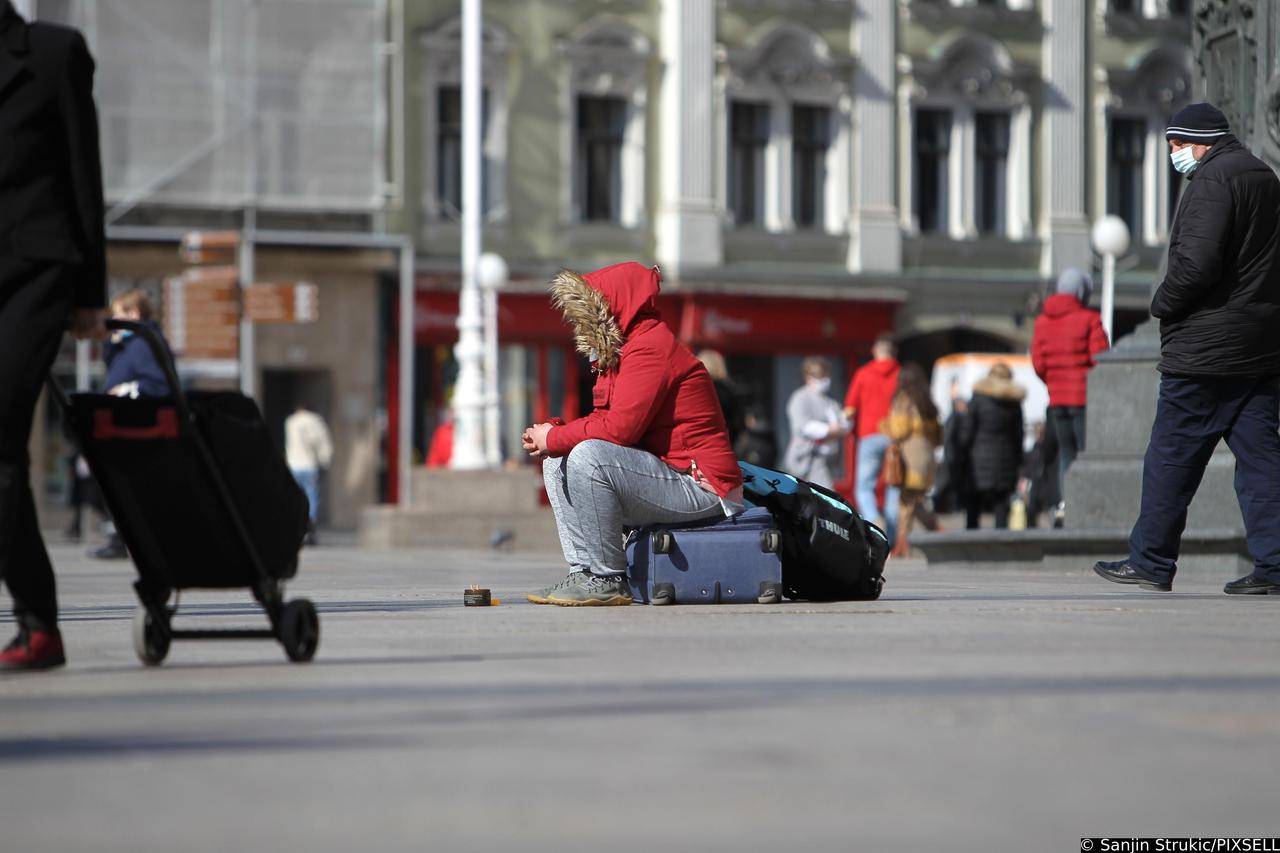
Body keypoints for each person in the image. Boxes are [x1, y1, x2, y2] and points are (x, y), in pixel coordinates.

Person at [1094, 102, 1280, 595]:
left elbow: (1196, 264)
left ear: (1200, 140)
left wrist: (1162, 303)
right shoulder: (1264, 176)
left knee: (1171, 456)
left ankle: (1151, 560)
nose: (1174, 154)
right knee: (1262, 461)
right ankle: (1276, 563)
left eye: (1177, 144)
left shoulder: (1212, 182)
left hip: (1206, 347)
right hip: (1259, 345)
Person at [522, 263, 741, 607]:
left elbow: (619, 430)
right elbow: (604, 420)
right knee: (561, 457)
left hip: (701, 486)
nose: (583, 323)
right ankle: (583, 570)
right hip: (669, 473)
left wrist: (554, 436)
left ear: (612, 306)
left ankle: (606, 577)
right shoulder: (623, 351)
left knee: (587, 456)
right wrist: (556, 439)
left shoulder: (650, 347)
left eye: (591, 310)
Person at [0, 1, 107, 671]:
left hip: (33, 275)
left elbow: (82, 177)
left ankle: (38, 622)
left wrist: (91, 294)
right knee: (3, 455)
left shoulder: (51, 53)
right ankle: (39, 623)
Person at [88, 289, 171, 560]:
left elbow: (158, 384)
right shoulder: (129, 345)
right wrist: (111, 344)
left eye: (119, 314)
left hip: (138, 425)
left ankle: (127, 538)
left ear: (134, 314)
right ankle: (120, 536)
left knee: (126, 486)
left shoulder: (145, 343)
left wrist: (127, 389)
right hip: (121, 424)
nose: (114, 320)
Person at [1031, 267, 1108, 519]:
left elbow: (1038, 363)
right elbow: (1101, 359)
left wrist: (1053, 382)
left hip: (1057, 401)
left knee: (1066, 455)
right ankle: (1089, 506)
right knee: (1087, 454)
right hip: (1084, 399)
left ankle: (1067, 506)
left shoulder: (1042, 322)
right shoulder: (1090, 319)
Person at [878, 364, 942, 557]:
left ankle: (902, 544)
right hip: (926, 457)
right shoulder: (926, 401)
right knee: (916, 500)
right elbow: (938, 434)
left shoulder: (903, 399)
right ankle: (938, 533)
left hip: (909, 458)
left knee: (906, 501)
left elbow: (900, 429)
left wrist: (884, 425)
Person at [843, 333, 901, 539]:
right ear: (894, 352)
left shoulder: (863, 373)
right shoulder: (901, 374)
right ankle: (891, 538)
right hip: (896, 437)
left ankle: (875, 520)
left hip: (869, 434)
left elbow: (850, 407)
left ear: (876, 351)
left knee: (864, 487)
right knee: (894, 485)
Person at [958, 362, 1024, 529]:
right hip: (1005, 459)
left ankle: (970, 544)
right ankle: (1000, 547)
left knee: (973, 505)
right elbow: (1018, 435)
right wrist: (1018, 462)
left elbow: (967, 430)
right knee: (1001, 506)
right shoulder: (1013, 402)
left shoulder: (979, 398)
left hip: (978, 459)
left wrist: (962, 452)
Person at [783, 356, 850, 490]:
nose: (825, 380)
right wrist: (832, 430)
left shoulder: (830, 400)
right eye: (820, 376)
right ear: (809, 377)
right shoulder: (800, 397)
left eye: (826, 375)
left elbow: (844, 424)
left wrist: (839, 427)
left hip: (830, 458)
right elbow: (804, 427)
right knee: (826, 497)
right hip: (809, 458)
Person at [285, 405, 333, 546]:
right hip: (309, 465)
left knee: (294, 498)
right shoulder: (315, 421)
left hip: (294, 465)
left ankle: (296, 529)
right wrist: (325, 460)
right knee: (312, 498)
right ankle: (309, 529)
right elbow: (322, 443)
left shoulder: (290, 422)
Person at [697, 349, 748, 447]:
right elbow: (739, 422)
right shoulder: (729, 390)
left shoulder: (696, 389)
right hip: (725, 444)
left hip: (700, 445)